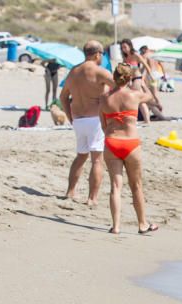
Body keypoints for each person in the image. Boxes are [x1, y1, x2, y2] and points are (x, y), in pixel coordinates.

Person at [99, 63, 157, 236]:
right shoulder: (135, 95)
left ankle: (116, 226)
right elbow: (151, 96)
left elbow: (103, 125)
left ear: (114, 78)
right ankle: (142, 224)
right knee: (136, 186)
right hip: (131, 143)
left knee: (115, 186)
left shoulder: (104, 98)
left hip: (112, 142)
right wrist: (141, 81)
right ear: (129, 78)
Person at [60, 41, 115, 206]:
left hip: (78, 119)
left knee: (81, 156)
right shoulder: (100, 72)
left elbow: (63, 97)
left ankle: (70, 191)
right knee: (97, 159)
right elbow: (120, 90)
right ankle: (92, 198)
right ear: (98, 54)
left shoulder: (73, 72)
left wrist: (70, 117)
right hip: (95, 120)